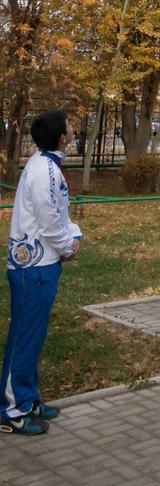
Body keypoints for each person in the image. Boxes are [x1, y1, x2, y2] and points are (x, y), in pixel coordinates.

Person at [1, 109, 82, 436]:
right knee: (24, 337)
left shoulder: (48, 165)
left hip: (42, 264)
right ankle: (10, 410)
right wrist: (68, 245)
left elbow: (58, 213)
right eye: (70, 123)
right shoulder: (43, 170)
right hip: (32, 267)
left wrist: (71, 235)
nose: (73, 126)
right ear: (62, 135)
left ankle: (28, 398)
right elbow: (50, 222)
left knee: (32, 337)